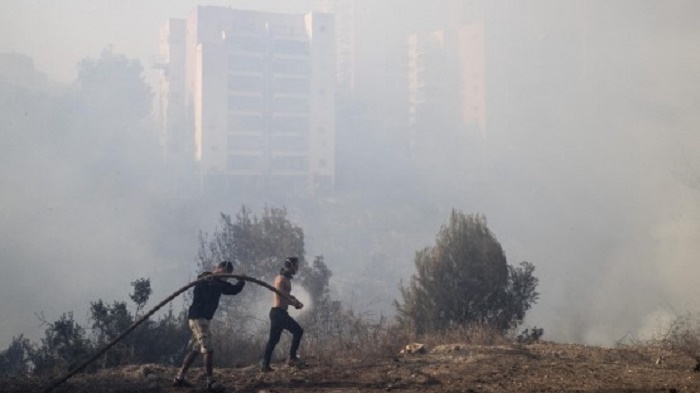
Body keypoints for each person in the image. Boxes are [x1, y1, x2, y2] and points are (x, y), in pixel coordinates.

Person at [173, 261, 245, 390]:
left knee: (196, 349)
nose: (226, 276)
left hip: (205, 319)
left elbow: (233, 290)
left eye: (228, 275)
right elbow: (202, 283)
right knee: (208, 349)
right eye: (225, 272)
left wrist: (241, 281)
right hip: (197, 318)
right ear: (219, 269)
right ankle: (210, 382)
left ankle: (179, 377)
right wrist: (214, 275)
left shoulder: (220, 284)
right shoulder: (206, 278)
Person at [260, 257, 305, 372]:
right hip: (278, 313)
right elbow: (281, 296)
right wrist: (294, 303)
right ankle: (292, 358)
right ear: (290, 266)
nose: (297, 269)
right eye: (295, 266)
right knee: (298, 331)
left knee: (273, 340)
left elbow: (287, 295)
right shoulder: (280, 279)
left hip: (281, 313)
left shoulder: (287, 279)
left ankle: (265, 364)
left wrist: (295, 300)